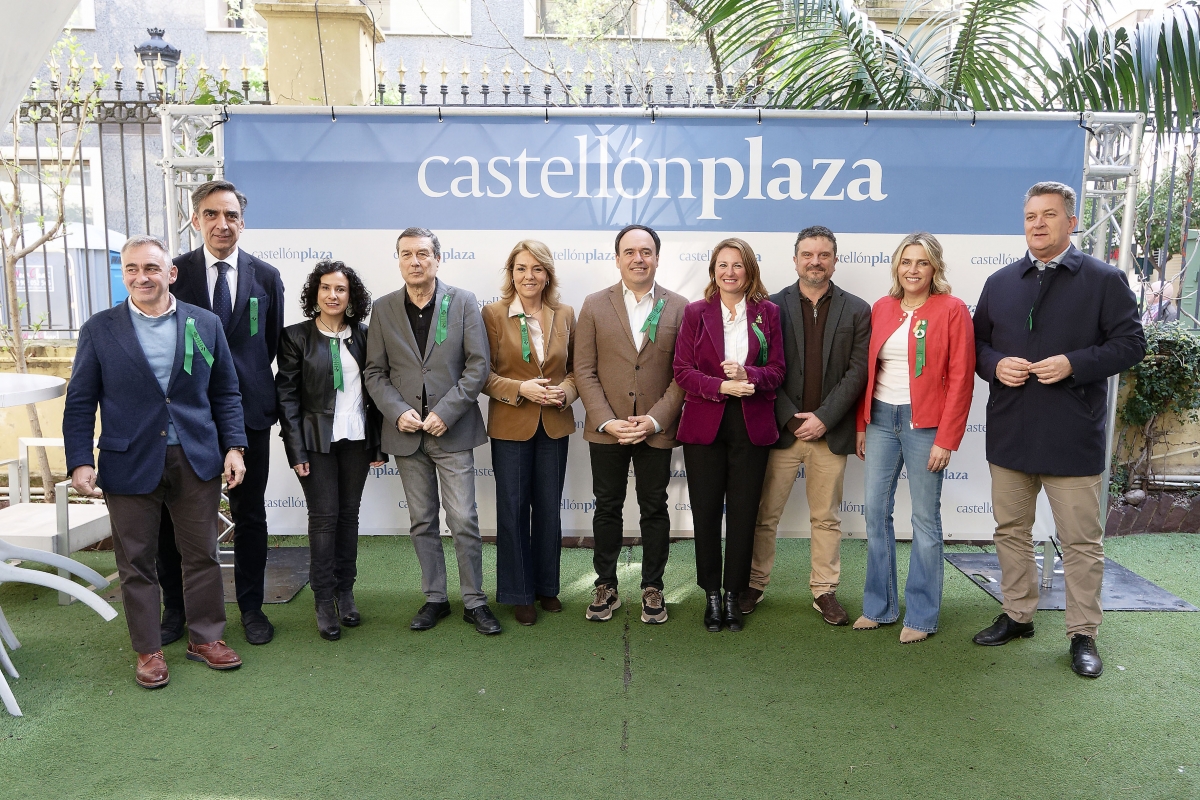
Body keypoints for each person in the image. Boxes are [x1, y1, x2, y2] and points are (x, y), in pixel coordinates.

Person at [972, 181, 1145, 677]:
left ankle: (1083, 633)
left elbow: (1130, 344)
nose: (1038, 224)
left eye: (1049, 215)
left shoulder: (1104, 279)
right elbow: (978, 344)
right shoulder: (1001, 282)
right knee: (1010, 531)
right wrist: (994, 364)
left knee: (1080, 543)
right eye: (1030, 216)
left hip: (1072, 435)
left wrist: (1074, 363)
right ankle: (1018, 614)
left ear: (1072, 221)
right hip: (1010, 433)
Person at [63, 235, 247, 689]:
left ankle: (206, 638)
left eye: (150, 267)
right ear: (124, 274)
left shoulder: (204, 324)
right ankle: (148, 649)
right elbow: (81, 400)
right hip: (129, 460)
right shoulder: (100, 329)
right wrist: (80, 461)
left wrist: (234, 446)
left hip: (197, 455)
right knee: (137, 561)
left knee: (202, 553)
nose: (141, 277)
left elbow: (225, 390)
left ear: (171, 273)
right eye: (131, 269)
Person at [157, 179, 285, 647]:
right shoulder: (175, 273)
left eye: (230, 215)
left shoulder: (266, 277)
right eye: (211, 214)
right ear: (196, 220)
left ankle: (251, 608)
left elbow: (265, 346)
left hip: (248, 416)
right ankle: (176, 610)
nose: (222, 223)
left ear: (242, 223)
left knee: (250, 515)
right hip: (186, 417)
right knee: (174, 519)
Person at [364, 227, 502, 635]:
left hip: (451, 431)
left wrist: (448, 411)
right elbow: (375, 371)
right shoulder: (384, 308)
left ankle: (475, 601)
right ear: (399, 260)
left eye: (423, 253)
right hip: (407, 435)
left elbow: (478, 366)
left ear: (437, 259)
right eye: (406, 254)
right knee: (422, 520)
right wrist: (396, 411)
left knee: (463, 518)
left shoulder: (462, 302)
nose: (415, 261)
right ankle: (435, 598)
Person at [852, 232, 975, 643]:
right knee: (875, 513)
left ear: (935, 267)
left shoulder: (953, 310)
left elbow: (961, 379)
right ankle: (879, 606)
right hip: (882, 420)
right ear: (896, 267)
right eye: (906, 262)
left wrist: (947, 438)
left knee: (924, 520)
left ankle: (921, 615)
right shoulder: (882, 308)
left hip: (926, 427)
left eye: (921, 263)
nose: (913, 270)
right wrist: (861, 425)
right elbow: (867, 373)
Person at [748, 225, 871, 623]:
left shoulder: (857, 309)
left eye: (823, 255)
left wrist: (823, 418)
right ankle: (754, 583)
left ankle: (824, 590)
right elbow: (762, 367)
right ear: (795, 258)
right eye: (808, 254)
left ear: (835, 260)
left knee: (826, 517)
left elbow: (857, 371)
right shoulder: (770, 306)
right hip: (781, 430)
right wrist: (789, 416)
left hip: (829, 432)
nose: (815, 262)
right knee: (765, 514)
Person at [574, 224, 687, 625]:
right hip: (607, 431)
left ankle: (652, 587)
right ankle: (605, 584)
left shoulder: (680, 307)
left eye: (646, 251)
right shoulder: (593, 305)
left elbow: (683, 375)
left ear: (657, 256)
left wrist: (655, 420)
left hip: (656, 431)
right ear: (618, 258)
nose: (638, 258)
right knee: (607, 507)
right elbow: (583, 370)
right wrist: (607, 422)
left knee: (654, 508)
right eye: (630, 252)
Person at [673, 238, 786, 632]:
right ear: (713, 271)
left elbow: (777, 371)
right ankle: (712, 596)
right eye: (722, 265)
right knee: (705, 515)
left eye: (737, 265)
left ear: (749, 270)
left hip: (751, 427)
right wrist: (723, 386)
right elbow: (682, 371)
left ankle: (735, 596)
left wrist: (748, 376)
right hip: (704, 426)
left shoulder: (768, 313)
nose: (729, 272)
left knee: (742, 515)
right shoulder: (694, 313)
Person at [276, 261, 387, 641]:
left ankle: (345, 590)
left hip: (357, 440)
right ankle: (323, 598)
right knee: (324, 518)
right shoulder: (295, 338)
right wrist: (296, 451)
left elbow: (377, 392)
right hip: (315, 442)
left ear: (350, 295)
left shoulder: (366, 336)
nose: (333, 295)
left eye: (340, 289)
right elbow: (286, 399)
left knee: (348, 517)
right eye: (326, 288)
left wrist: (378, 443)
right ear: (315, 294)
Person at [481, 241, 578, 626]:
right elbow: (482, 375)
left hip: (554, 424)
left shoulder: (566, 313)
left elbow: (577, 370)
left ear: (548, 274)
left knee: (549, 511)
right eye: (521, 269)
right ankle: (519, 593)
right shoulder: (492, 314)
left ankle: (547, 588)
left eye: (537, 269)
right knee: (513, 510)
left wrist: (565, 393)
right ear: (511, 273)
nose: (529, 276)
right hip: (511, 424)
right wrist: (520, 389)